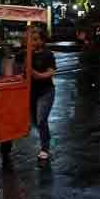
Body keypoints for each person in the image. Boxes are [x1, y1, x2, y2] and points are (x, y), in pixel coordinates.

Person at [30, 27, 57, 160]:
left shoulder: (48, 54)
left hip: (46, 92)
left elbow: (51, 72)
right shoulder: (28, 53)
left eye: (36, 39)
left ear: (42, 40)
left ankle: (45, 148)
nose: (33, 42)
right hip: (32, 93)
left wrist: (38, 75)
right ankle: (46, 138)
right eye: (32, 39)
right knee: (35, 121)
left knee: (41, 120)